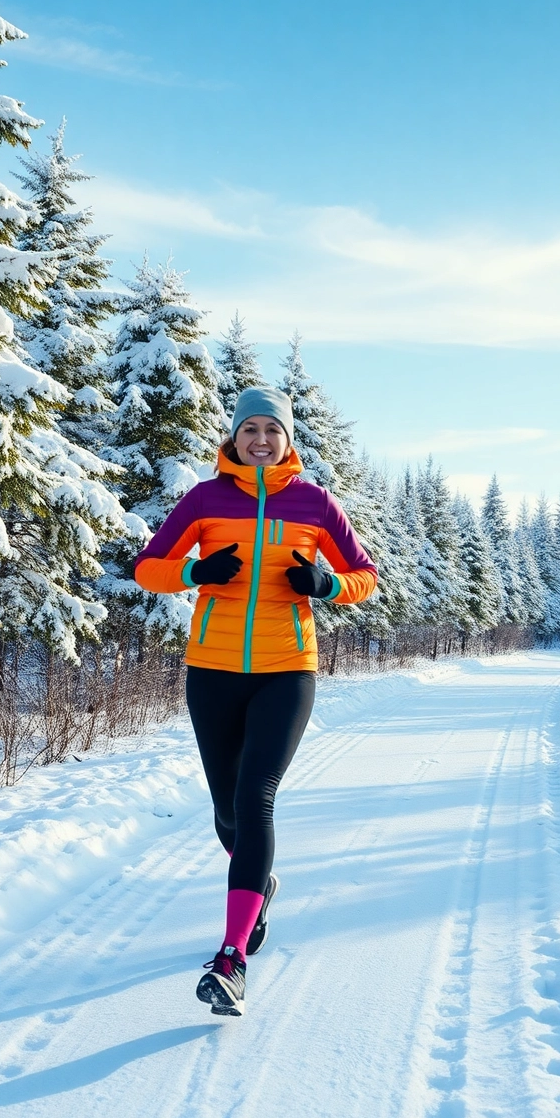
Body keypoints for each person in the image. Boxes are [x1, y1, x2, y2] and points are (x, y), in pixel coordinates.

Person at [134, 387, 377, 1015]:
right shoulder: (206, 498)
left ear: (288, 439)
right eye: (251, 430)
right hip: (212, 670)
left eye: (274, 429)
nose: (262, 439)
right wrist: (194, 573)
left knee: (255, 796)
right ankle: (259, 886)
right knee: (227, 815)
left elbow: (365, 578)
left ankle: (232, 957)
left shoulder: (315, 502)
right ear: (234, 438)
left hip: (287, 670)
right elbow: (149, 567)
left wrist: (326, 583)